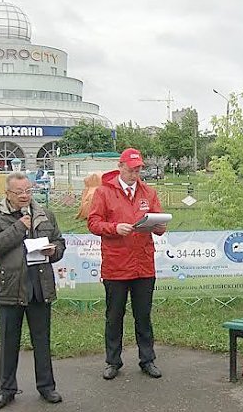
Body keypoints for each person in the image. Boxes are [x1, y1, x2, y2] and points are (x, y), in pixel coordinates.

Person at [0, 172, 65, 409]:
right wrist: (19, 227)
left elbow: (60, 243)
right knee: (9, 342)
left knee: (42, 341)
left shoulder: (45, 215)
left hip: (39, 288)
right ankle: (6, 389)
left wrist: (53, 251)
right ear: (7, 193)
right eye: (19, 192)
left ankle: (47, 387)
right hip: (10, 289)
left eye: (28, 191)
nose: (25, 196)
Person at [87, 148, 167, 381]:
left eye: (138, 169)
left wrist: (160, 226)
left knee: (143, 316)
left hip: (143, 264)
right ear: (120, 166)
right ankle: (113, 361)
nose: (135, 173)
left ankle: (147, 359)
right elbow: (93, 223)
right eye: (131, 169)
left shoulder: (149, 193)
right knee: (114, 316)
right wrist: (114, 228)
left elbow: (159, 222)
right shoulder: (103, 192)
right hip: (116, 265)